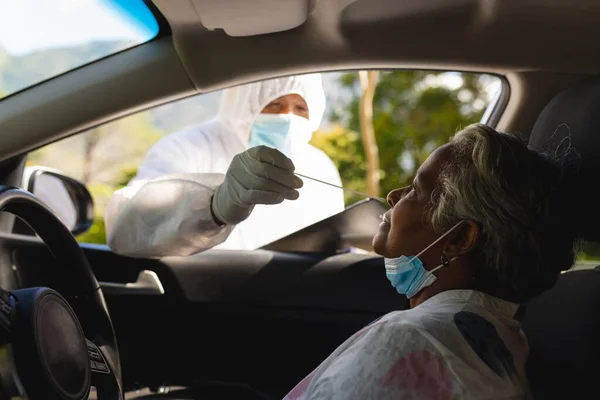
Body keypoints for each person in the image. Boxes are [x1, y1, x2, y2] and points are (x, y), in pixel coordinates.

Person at [284, 124, 581, 399]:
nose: (392, 196)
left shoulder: (409, 341)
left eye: (415, 190)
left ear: (458, 238)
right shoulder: (501, 337)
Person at [104, 74, 344, 257]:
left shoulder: (319, 166)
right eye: (274, 104)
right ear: (244, 103)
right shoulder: (186, 147)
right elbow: (125, 229)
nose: (288, 118)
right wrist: (214, 206)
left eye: (301, 108)